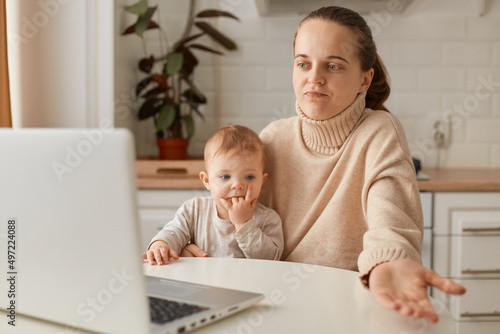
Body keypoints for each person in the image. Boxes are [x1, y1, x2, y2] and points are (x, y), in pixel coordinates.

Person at [180, 6, 466, 323]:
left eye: (333, 66)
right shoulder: (273, 139)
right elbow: (240, 223)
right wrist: (200, 247)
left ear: (364, 79)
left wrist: (388, 262)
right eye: (303, 63)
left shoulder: (380, 132)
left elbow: (391, 220)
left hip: (344, 307)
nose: (314, 78)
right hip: (274, 306)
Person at [144, 125, 284, 265]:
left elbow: (271, 260)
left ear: (262, 181)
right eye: (225, 177)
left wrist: (244, 224)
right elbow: (173, 232)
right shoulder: (193, 210)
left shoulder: (268, 219)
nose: (237, 185)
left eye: (249, 177)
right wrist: (160, 245)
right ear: (207, 181)